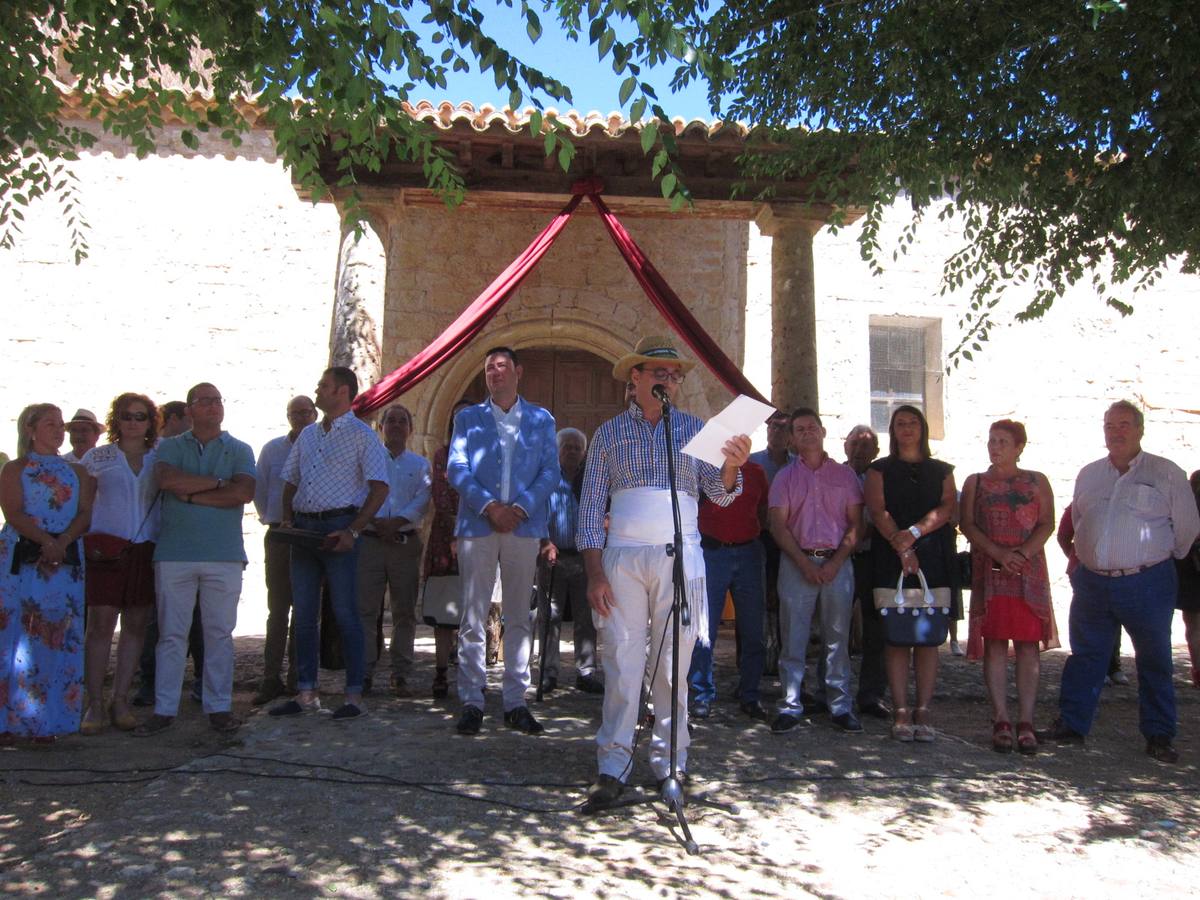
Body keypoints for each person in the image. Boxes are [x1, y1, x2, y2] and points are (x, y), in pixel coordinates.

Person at [580, 335, 750, 807]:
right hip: (623, 559)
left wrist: (733, 466)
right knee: (623, 659)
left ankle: (671, 763)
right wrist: (595, 573)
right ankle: (612, 764)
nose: (669, 382)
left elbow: (719, 492)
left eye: (674, 376)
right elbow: (591, 507)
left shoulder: (695, 430)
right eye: (659, 373)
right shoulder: (609, 434)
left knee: (674, 665)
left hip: (680, 556)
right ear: (635, 378)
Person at [1046, 401, 1200, 763]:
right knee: (1086, 656)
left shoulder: (1165, 473)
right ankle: (1072, 724)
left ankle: (1160, 734)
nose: (1116, 432)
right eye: (1110, 425)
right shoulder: (1090, 473)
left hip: (1147, 581)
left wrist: (1159, 559)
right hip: (1093, 582)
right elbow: (1080, 521)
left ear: (1140, 430)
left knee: (1154, 658)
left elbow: (1188, 528)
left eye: (1124, 425)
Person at [448, 346, 559, 736]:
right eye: (489, 368)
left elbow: (550, 472)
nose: (495, 373)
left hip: (523, 528)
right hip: (479, 525)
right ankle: (472, 700)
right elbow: (457, 468)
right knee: (473, 615)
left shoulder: (542, 420)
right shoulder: (467, 418)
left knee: (517, 616)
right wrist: (490, 506)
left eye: (502, 367)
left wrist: (521, 508)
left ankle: (515, 700)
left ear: (518, 372)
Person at [134, 384, 256, 736]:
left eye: (218, 400)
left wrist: (190, 496)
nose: (214, 406)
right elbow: (168, 480)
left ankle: (219, 707)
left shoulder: (239, 448)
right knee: (171, 634)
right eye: (206, 401)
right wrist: (220, 485)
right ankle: (164, 708)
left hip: (225, 555)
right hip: (175, 554)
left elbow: (244, 493)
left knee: (219, 634)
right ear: (189, 409)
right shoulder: (170, 446)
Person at [270, 367, 389, 722]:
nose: (317, 390)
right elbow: (290, 479)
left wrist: (353, 531)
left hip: (339, 526)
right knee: (303, 614)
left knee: (345, 613)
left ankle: (353, 695)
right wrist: (288, 518)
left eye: (323, 385)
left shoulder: (362, 436)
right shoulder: (307, 435)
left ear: (342, 391)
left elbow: (380, 487)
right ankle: (306, 691)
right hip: (304, 529)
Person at [959, 419, 1057, 754]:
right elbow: (968, 524)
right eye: (991, 440)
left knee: (1028, 644)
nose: (995, 446)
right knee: (996, 642)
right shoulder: (976, 482)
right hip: (991, 568)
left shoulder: (1037, 481)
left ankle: (1026, 719)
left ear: (1019, 447)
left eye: (1002, 441)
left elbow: (1048, 523)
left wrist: (1023, 553)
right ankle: (1001, 717)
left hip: (1028, 571)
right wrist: (999, 552)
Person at [0, 405, 94, 742]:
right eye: (50, 423)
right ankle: (8, 721)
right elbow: (13, 511)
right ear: (31, 429)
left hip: (63, 560)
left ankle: (48, 721)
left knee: (58, 634)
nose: (59, 430)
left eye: (60, 424)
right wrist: (44, 541)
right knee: (14, 635)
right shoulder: (15, 469)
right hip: (22, 558)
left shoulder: (78, 472)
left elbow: (84, 513)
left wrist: (63, 541)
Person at [865, 405, 957, 743]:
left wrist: (915, 534)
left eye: (913, 422)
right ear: (892, 430)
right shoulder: (879, 470)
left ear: (923, 427)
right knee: (897, 634)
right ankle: (901, 708)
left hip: (933, 555)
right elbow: (877, 510)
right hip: (892, 556)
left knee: (929, 637)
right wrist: (902, 548)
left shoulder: (942, 470)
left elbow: (948, 507)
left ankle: (924, 708)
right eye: (900, 423)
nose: (907, 428)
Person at [768, 408, 864, 734]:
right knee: (792, 637)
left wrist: (836, 561)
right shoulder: (784, 477)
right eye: (800, 429)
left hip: (839, 563)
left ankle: (838, 703)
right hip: (797, 564)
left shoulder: (845, 476)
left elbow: (856, 523)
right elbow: (777, 525)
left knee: (837, 638)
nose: (808, 432)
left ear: (823, 432)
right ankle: (790, 703)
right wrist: (804, 563)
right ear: (793, 438)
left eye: (813, 427)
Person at [79, 393, 161, 735]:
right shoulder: (97, 458)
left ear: (149, 422)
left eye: (140, 416)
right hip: (106, 550)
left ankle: (121, 700)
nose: (133, 422)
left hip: (145, 549)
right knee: (99, 627)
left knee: (137, 626)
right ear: (117, 420)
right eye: (126, 416)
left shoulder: (162, 457)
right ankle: (94, 703)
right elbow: (83, 507)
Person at [357, 403, 431, 697]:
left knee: (404, 612)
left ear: (410, 429)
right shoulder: (367, 461)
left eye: (403, 421)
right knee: (366, 610)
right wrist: (375, 522)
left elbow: (423, 499)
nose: (397, 426)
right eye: (392, 421)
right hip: (370, 543)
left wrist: (397, 522)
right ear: (381, 427)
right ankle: (362, 672)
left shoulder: (420, 465)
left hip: (403, 544)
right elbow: (359, 493)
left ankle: (401, 673)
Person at [688, 456, 768, 721]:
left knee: (753, 628)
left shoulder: (756, 471)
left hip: (748, 552)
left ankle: (750, 693)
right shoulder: (704, 470)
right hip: (712, 552)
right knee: (704, 628)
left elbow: (763, 511)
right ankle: (701, 694)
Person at [133, 398, 200, 707]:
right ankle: (152, 681)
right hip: (157, 541)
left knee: (199, 616)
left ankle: (201, 680)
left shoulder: (195, 450)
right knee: (157, 618)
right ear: (174, 418)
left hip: (190, 540)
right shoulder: (153, 453)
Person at [251, 395, 317, 705]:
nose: (302, 417)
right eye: (296, 413)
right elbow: (261, 488)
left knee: (306, 609)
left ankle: (298, 678)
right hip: (279, 533)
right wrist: (273, 519)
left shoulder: (323, 448)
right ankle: (270, 677)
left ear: (315, 414)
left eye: (306, 412)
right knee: (278, 609)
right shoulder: (272, 449)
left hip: (311, 534)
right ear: (288, 416)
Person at [535, 427, 603, 694]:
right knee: (548, 616)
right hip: (552, 556)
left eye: (577, 447)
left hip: (584, 557)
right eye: (567, 447)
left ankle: (586, 672)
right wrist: (544, 542)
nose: (572, 451)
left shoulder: (590, 479)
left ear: (584, 452)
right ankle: (548, 671)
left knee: (586, 617)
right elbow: (537, 512)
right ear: (557, 450)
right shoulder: (548, 479)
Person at [423, 400, 471, 699]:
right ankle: (441, 671)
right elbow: (440, 497)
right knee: (443, 608)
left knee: (473, 610)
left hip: (479, 538)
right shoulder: (442, 454)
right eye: (458, 417)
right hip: (447, 539)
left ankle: (470, 674)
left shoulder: (487, 455)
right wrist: (458, 531)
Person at [843, 424, 889, 718]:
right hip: (842, 558)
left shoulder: (883, 477)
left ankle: (871, 695)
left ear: (876, 452)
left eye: (866, 446)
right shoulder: (833, 474)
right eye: (855, 444)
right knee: (836, 628)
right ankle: (832, 692)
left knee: (877, 630)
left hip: (874, 559)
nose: (860, 451)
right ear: (845, 446)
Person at [1178, 471, 1200, 689]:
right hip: (1191, 571)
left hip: (1189, 572)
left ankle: (1198, 670)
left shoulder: (1185, 502)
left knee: (1193, 625)